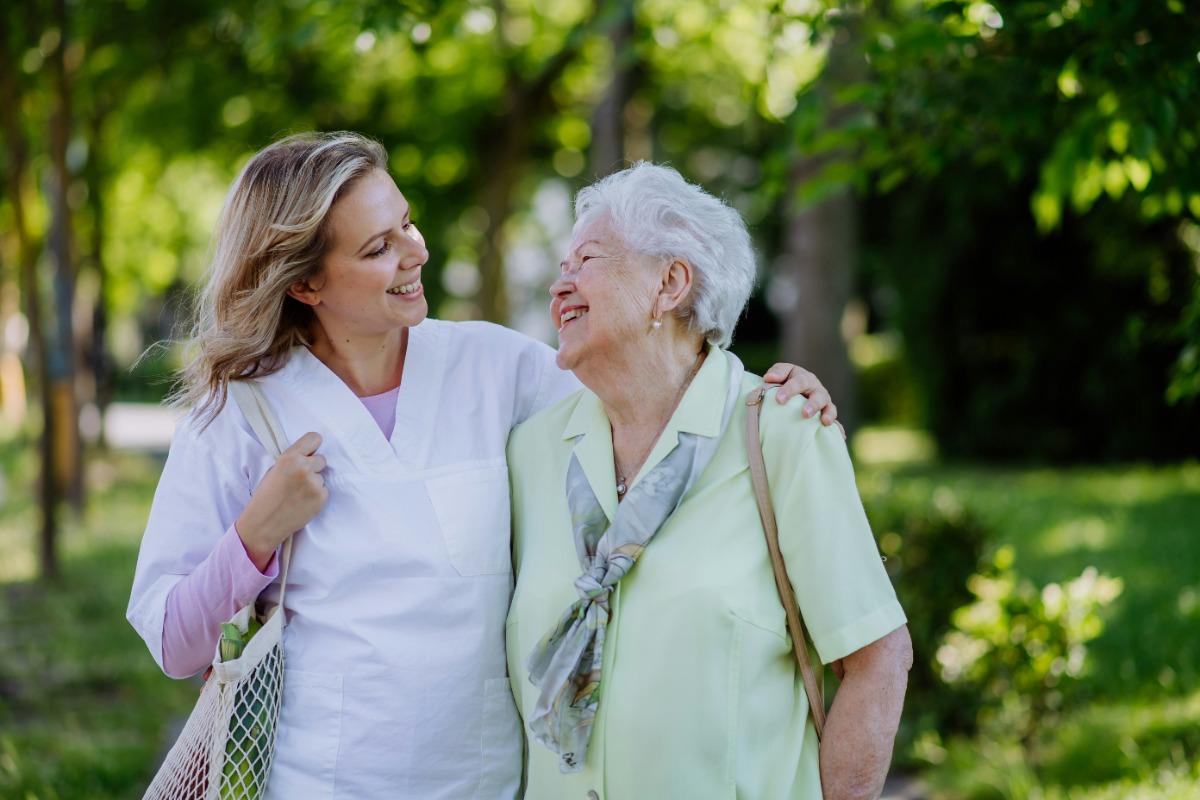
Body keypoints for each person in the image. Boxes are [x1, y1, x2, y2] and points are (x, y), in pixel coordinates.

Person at [126, 132, 841, 799]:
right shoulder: (241, 415)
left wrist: (766, 395)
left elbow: (655, 398)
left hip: (490, 785)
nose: (416, 252)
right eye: (379, 247)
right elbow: (174, 645)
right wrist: (254, 537)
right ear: (307, 284)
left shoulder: (498, 368)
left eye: (407, 223)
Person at [505, 162, 913, 800]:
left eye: (584, 260)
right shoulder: (531, 450)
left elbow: (875, 658)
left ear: (669, 284)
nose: (561, 287)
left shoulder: (782, 431)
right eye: (561, 267)